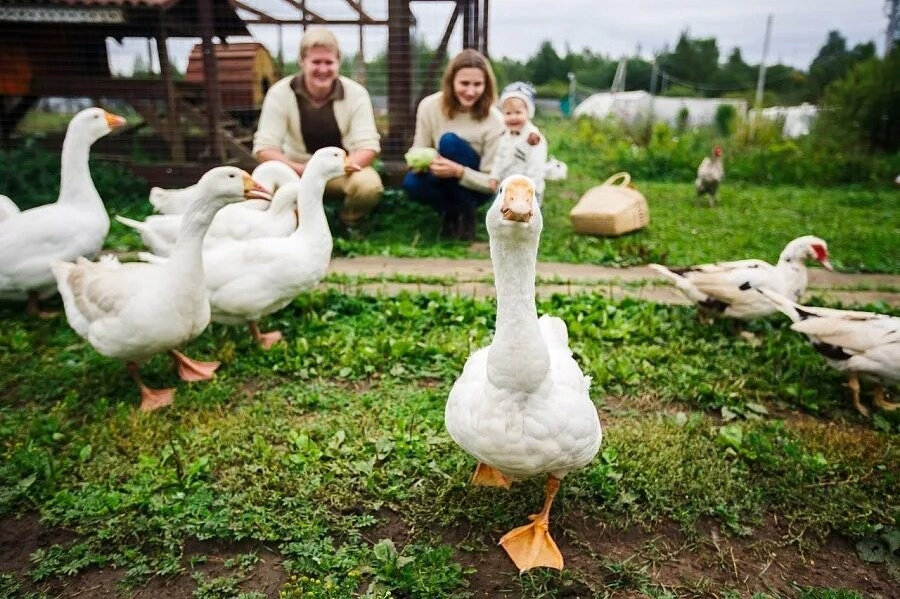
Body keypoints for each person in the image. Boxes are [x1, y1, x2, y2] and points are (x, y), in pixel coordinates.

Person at [252, 27, 383, 233]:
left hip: (342, 171)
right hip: (296, 170)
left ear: (338, 62)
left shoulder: (357, 94)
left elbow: (368, 146)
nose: (323, 69)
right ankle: (287, 230)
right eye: (316, 62)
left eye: (329, 62)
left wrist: (336, 168)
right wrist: (303, 170)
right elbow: (264, 148)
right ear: (302, 62)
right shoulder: (279, 93)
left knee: (368, 186)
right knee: (265, 184)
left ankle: (348, 225)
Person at [402, 49, 505, 241]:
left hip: (476, 186)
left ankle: (466, 212)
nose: (471, 91)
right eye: (464, 83)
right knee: (411, 183)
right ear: (451, 82)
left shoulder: (495, 120)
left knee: (449, 142)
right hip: (440, 176)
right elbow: (419, 148)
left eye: (478, 84)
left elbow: (492, 181)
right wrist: (424, 162)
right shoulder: (429, 106)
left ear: (486, 85)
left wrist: (459, 171)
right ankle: (450, 214)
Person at [489, 81, 547, 203]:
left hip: (527, 190)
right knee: (502, 211)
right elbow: (499, 157)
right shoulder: (504, 135)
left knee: (524, 214)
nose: (513, 117)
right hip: (506, 186)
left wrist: (527, 189)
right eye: (508, 113)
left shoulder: (534, 138)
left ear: (528, 112)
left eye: (518, 112)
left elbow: (536, 167)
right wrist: (494, 176)